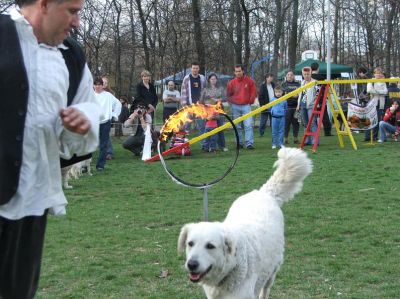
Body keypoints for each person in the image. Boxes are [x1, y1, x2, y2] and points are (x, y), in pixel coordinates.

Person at [0, 0, 101, 298]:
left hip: (32, 200)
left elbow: (88, 109)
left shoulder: (72, 56)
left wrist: (82, 124)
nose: (77, 22)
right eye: (72, 11)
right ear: (44, 4)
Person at [226, 65, 257, 149]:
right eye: (236, 71)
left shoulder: (249, 81)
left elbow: (253, 92)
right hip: (235, 106)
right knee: (237, 126)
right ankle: (239, 143)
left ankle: (249, 143)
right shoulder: (231, 83)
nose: (238, 73)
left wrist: (250, 101)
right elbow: (228, 94)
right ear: (234, 72)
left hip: (246, 106)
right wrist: (231, 103)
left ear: (243, 71)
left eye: (239, 71)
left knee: (248, 125)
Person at [94, 77, 121, 171]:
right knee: (90, 144)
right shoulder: (90, 96)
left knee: (103, 144)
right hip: (93, 122)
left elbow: (118, 104)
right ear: (93, 85)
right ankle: (85, 166)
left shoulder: (108, 95)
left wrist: (114, 115)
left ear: (102, 86)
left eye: (99, 84)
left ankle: (100, 165)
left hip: (105, 122)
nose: (97, 86)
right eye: (96, 84)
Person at [199, 73, 228, 151]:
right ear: (209, 80)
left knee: (220, 129)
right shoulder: (205, 89)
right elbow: (201, 101)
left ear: (216, 80)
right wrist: (205, 106)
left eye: (215, 79)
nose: (213, 80)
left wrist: (218, 100)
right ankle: (206, 146)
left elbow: (225, 98)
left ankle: (222, 146)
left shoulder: (221, 88)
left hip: (219, 111)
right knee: (207, 130)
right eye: (212, 79)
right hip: (208, 112)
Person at [180, 62, 206, 140]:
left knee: (201, 125)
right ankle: (182, 142)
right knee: (186, 125)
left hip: (200, 106)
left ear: (199, 69)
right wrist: (185, 105)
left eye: (196, 68)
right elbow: (183, 91)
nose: (195, 70)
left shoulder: (202, 78)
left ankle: (203, 142)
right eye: (194, 68)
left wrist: (204, 103)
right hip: (189, 106)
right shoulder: (187, 78)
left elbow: (205, 91)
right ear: (191, 69)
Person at [365, 67, 388, 141]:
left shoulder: (383, 82)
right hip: (372, 103)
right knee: (370, 120)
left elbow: (385, 92)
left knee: (378, 120)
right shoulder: (371, 81)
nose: (378, 74)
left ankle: (374, 136)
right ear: (374, 74)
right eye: (377, 73)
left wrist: (377, 91)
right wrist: (380, 92)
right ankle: (367, 137)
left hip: (380, 103)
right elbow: (369, 90)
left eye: (380, 73)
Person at [297, 67, 318, 145]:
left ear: (311, 74)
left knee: (312, 122)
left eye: (308, 74)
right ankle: (307, 140)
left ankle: (314, 141)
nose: (306, 75)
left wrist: (315, 101)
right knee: (305, 123)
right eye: (305, 74)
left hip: (311, 105)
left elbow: (318, 93)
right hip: (302, 104)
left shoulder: (315, 82)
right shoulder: (302, 82)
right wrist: (298, 105)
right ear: (302, 74)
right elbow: (300, 94)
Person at [311, 62, 332, 136]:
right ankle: (327, 131)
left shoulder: (309, 77)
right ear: (318, 68)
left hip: (311, 99)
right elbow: (327, 86)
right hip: (320, 98)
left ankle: (313, 131)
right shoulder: (322, 77)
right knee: (324, 115)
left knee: (312, 116)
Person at [282, 70, 300, 144]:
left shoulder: (298, 84)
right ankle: (285, 138)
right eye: (288, 74)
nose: (290, 76)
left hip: (296, 107)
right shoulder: (283, 84)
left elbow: (300, 93)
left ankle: (295, 138)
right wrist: (293, 95)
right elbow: (283, 94)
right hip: (287, 107)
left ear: (293, 76)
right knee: (286, 124)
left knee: (296, 124)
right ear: (286, 76)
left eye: (291, 75)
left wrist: (296, 95)